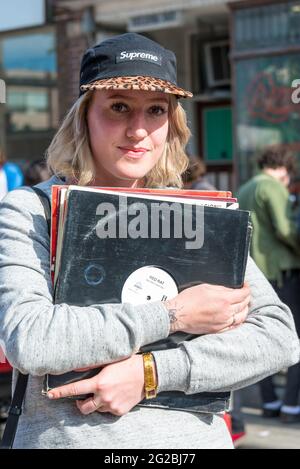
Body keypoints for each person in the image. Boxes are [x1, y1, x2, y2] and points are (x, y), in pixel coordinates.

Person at [0, 33, 299, 450]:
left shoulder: (199, 215)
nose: (138, 130)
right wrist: (174, 315)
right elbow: (31, 339)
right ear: (85, 115)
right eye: (119, 107)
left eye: (156, 110)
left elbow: (278, 338)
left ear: (172, 123)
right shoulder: (33, 209)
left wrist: (151, 373)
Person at [238, 147, 300, 423]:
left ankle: (270, 402)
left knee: (260, 340)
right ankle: (290, 406)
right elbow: (286, 229)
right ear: (284, 171)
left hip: (255, 274)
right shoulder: (272, 187)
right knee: (293, 338)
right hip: (282, 272)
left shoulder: (245, 187)